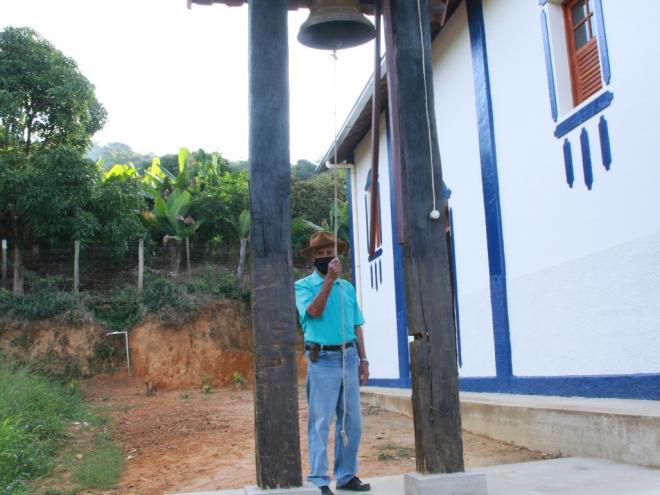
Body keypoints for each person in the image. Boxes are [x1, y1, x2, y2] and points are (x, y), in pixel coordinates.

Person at [295, 231, 371, 495]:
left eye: (331, 253)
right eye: (322, 254)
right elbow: (314, 312)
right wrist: (328, 279)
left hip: (349, 357)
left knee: (352, 423)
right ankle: (319, 479)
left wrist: (363, 359)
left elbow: (356, 325)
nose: (327, 257)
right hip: (322, 358)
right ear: (314, 257)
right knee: (320, 421)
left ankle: (346, 476)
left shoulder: (347, 287)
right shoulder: (303, 286)